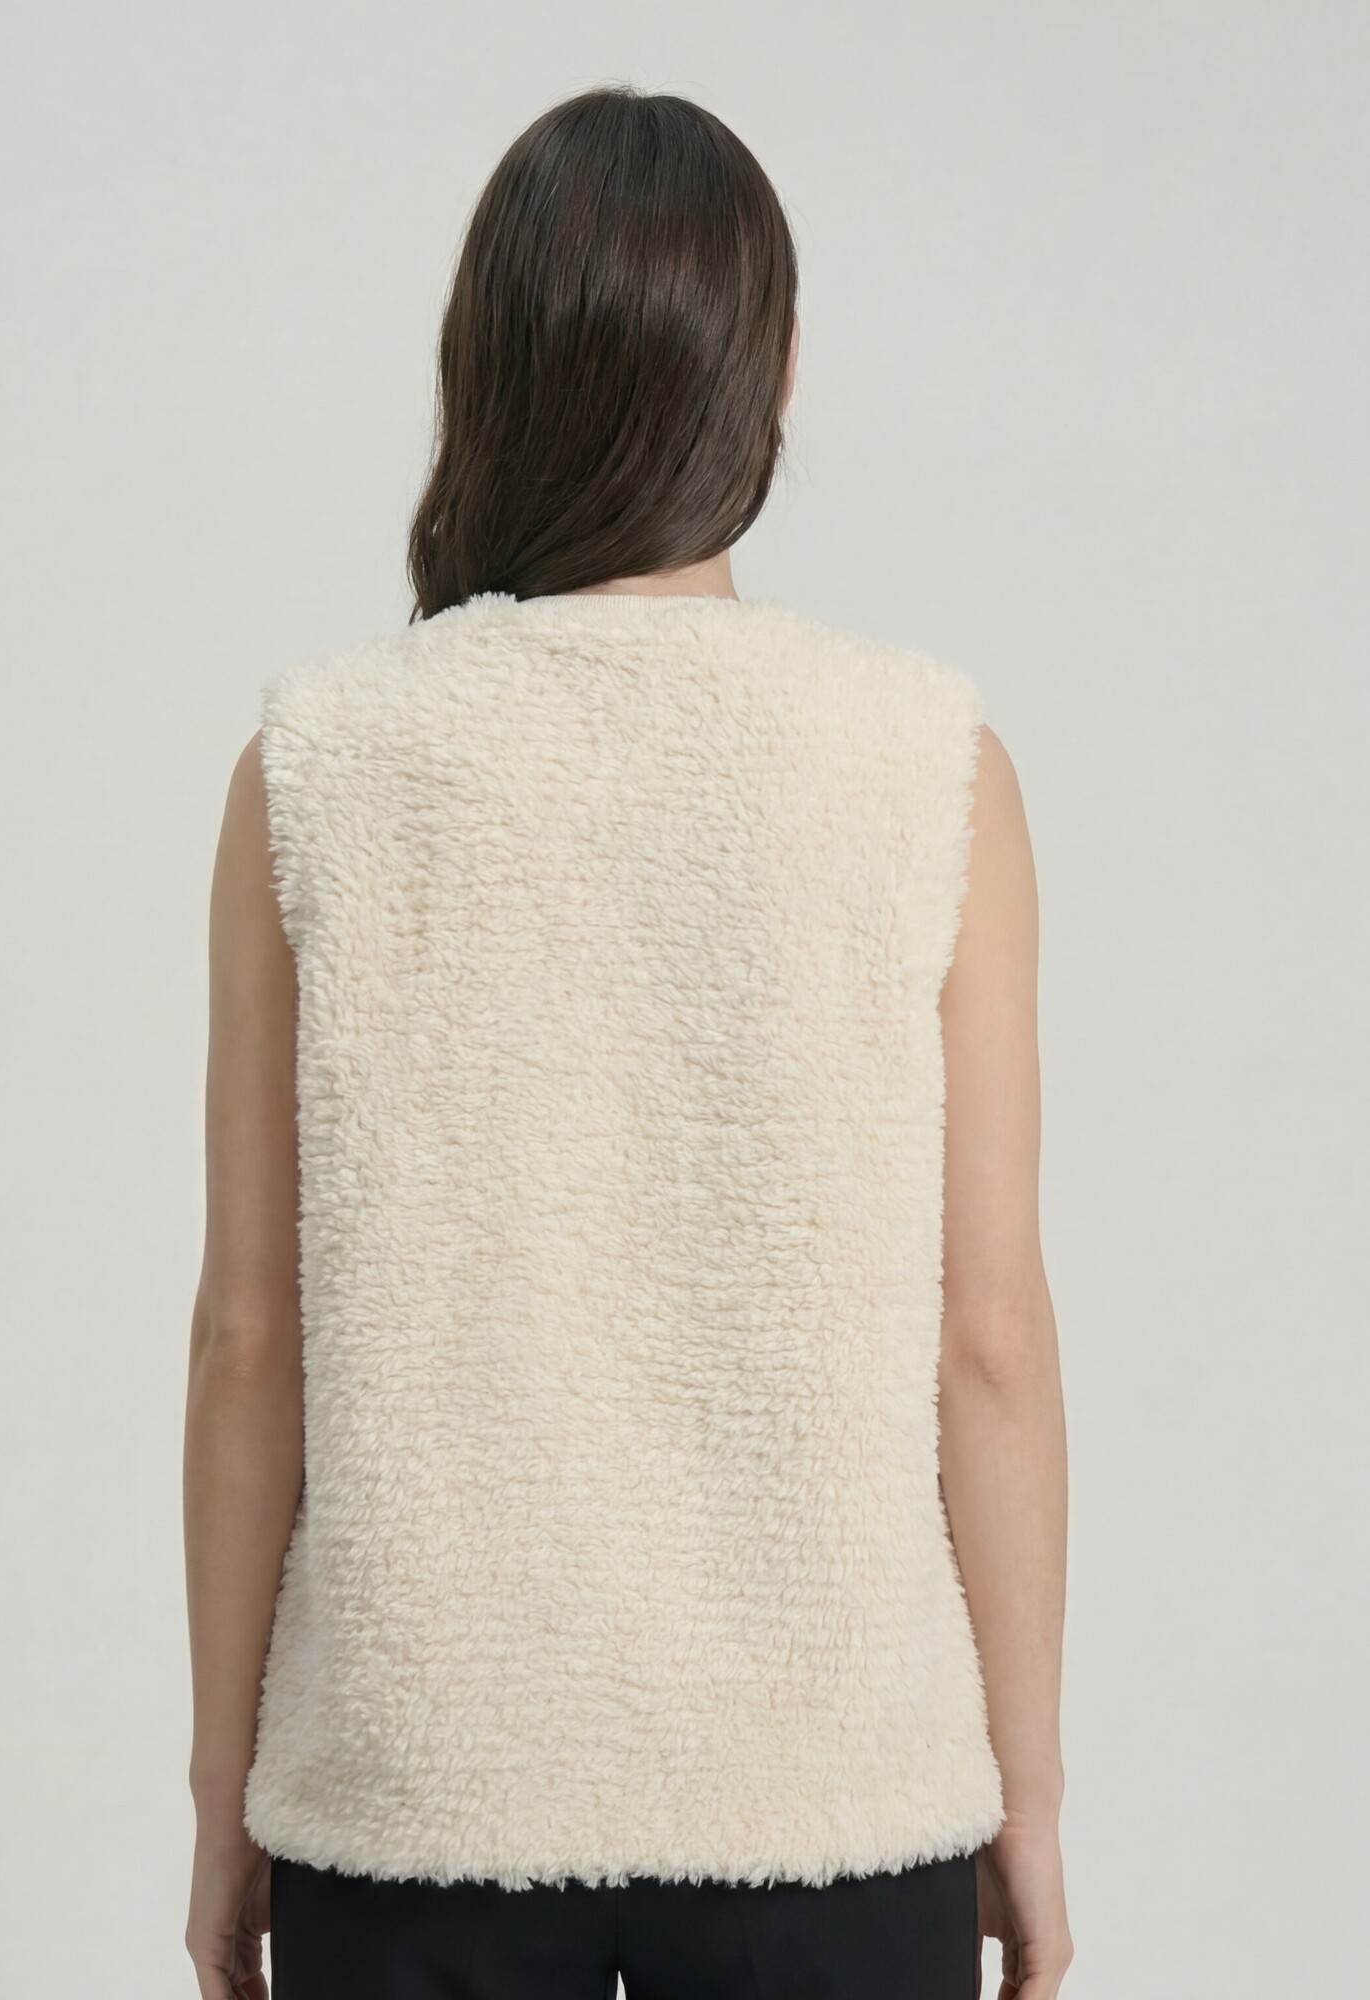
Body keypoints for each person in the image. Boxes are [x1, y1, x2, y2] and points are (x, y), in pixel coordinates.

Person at [183, 83, 1072, 2000]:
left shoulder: (317, 763)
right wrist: (1032, 1792)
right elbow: (988, 1336)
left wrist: (218, 1793)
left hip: (418, 1794)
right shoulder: (932, 765)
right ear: (777, 369)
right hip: (827, 1793)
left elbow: (250, 1337)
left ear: (483, 369)